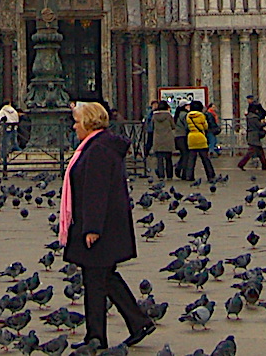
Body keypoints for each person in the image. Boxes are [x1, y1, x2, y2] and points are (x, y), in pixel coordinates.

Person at [61, 102, 156, 350]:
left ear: (89, 123)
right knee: (105, 277)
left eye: (77, 121)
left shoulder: (98, 150)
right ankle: (138, 322)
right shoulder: (96, 146)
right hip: (105, 223)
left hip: (99, 226)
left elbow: (96, 191)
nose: (74, 126)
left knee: (95, 281)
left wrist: (92, 228)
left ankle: (96, 337)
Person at [178, 101, 215, 185]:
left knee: (191, 158)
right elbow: (205, 126)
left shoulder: (188, 116)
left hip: (191, 136)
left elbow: (187, 126)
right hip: (200, 136)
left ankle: (189, 175)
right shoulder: (201, 115)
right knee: (205, 158)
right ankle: (210, 175)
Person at [147, 100, 175, 180]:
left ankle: (161, 175)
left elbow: (151, 126)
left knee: (159, 159)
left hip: (158, 138)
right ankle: (169, 175)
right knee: (168, 158)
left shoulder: (154, 116)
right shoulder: (169, 116)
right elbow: (173, 126)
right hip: (167, 138)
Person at [237, 99, 266, 171]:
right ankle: (241, 164)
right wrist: (264, 122)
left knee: (260, 152)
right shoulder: (253, 117)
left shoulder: (250, 116)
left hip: (253, 136)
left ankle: (264, 165)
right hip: (254, 136)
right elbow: (259, 125)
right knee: (250, 152)